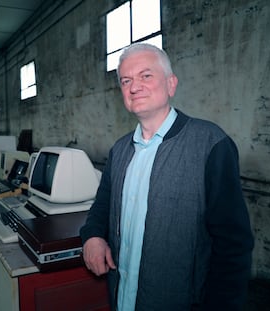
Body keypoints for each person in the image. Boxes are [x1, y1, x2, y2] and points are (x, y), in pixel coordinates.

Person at [80, 43, 254, 310]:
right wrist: (92, 236)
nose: (134, 86)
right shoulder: (120, 150)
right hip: (123, 297)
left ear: (171, 84)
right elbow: (102, 206)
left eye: (146, 76)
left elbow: (233, 245)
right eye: (126, 80)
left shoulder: (210, 144)